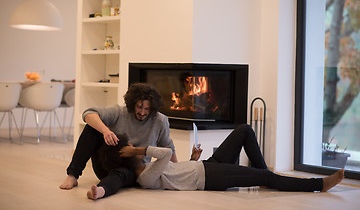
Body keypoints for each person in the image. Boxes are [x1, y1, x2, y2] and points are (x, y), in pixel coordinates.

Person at [87, 124, 344, 199]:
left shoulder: (149, 170)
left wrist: (192, 159)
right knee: (265, 178)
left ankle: (262, 175)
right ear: (126, 156)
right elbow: (165, 153)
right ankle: (317, 184)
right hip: (210, 178)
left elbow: (172, 168)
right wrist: (137, 150)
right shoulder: (144, 178)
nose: (134, 148)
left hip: (205, 165)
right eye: (129, 148)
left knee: (244, 130)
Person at [60, 83, 178, 198]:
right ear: (132, 104)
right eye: (139, 107)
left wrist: (176, 173)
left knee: (122, 173)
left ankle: (100, 191)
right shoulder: (120, 112)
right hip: (107, 165)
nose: (142, 112)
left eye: (147, 109)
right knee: (92, 127)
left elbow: (168, 149)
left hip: (134, 170)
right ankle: (73, 175)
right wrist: (105, 131)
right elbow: (88, 114)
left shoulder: (160, 121)